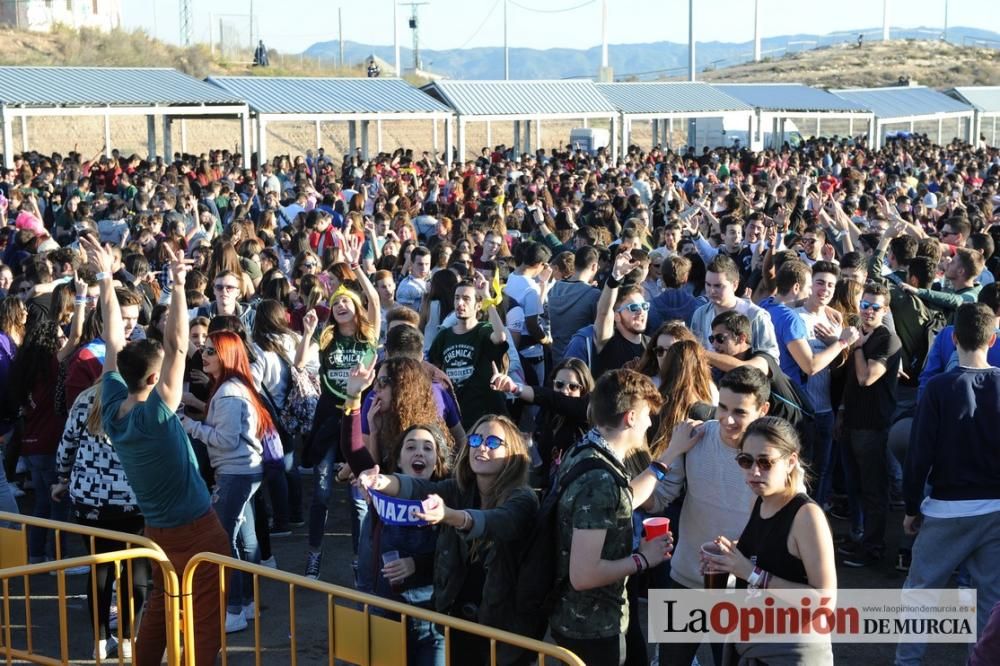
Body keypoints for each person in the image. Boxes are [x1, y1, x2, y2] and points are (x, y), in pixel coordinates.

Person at [86, 236, 230, 665]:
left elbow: (113, 340)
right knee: (204, 622)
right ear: (154, 381)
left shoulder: (113, 405)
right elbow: (179, 345)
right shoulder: (157, 414)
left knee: (161, 612)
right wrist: (179, 285)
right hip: (199, 531)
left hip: (158, 531)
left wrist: (106, 280)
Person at [358, 413, 538, 665]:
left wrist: (449, 515)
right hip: (457, 623)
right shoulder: (459, 489)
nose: (481, 447)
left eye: (494, 443)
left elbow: (497, 522)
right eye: (476, 440)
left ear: (514, 453)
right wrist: (380, 480)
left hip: (504, 634)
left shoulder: (523, 498)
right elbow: (418, 488)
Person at [636, 365, 773, 666]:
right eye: (722, 407)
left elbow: (784, 524)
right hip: (685, 577)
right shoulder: (695, 438)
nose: (727, 419)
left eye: (740, 411)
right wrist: (669, 452)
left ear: (763, 410)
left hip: (740, 589)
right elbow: (658, 500)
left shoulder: (773, 456)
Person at [896, 303, 1000, 665]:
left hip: (945, 509)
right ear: (993, 338)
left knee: (920, 595)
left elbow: (919, 455)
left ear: (953, 338)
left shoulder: (939, 388)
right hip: (994, 511)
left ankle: (908, 662)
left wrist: (911, 508)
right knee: (990, 598)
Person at [548, 369, 673, 665]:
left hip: (578, 620)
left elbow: (622, 499)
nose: (650, 423)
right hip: (593, 629)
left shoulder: (586, 450)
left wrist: (667, 459)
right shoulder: (600, 480)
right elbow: (584, 574)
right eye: (647, 415)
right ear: (630, 417)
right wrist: (644, 558)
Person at [341, 361, 448, 665]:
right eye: (411, 447)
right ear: (398, 461)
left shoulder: (448, 491)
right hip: (386, 608)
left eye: (428, 449)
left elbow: (455, 552)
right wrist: (352, 399)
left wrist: (417, 564)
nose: (419, 453)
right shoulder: (385, 484)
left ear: (437, 461)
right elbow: (353, 452)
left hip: (432, 617)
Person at [705, 416, 836, 665]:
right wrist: (729, 557)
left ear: (790, 462)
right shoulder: (760, 501)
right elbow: (769, 552)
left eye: (766, 462)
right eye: (746, 461)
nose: (754, 471)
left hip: (790, 652)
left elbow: (825, 602)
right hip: (752, 642)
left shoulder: (806, 516)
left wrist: (751, 573)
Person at [180, 330, 275, 633]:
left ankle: (234, 608)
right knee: (244, 541)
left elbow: (226, 439)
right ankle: (245, 604)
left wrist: (188, 425)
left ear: (226, 355)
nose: (203, 355)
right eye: (205, 350)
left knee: (224, 541)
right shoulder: (230, 388)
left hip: (237, 473)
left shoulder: (231, 392)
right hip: (241, 472)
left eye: (210, 351)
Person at [52, 383, 149, 660]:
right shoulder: (144, 399)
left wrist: (61, 478)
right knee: (137, 566)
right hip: (134, 498)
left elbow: (66, 446)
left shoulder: (85, 399)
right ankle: (130, 639)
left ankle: (100, 641)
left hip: (89, 499)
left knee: (100, 566)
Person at [838, 282, 902, 568]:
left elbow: (866, 378)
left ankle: (873, 548)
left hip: (872, 426)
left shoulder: (888, 340)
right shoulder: (859, 334)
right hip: (851, 421)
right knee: (856, 487)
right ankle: (859, 536)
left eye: (875, 307)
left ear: (884, 310)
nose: (868, 311)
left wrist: (858, 348)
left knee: (874, 490)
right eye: (865, 305)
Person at [489, 357, 594, 485]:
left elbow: (553, 399)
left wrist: (515, 388)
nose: (565, 391)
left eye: (573, 387)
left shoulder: (588, 411)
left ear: (584, 389)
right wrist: (530, 446)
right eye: (559, 384)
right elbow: (542, 468)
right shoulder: (549, 414)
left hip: (579, 488)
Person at [428, 274, 509, 429]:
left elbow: (500, 337)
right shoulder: (444, 335)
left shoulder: (483, 330)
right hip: (454, 414)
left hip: (483, 413)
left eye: (466, 299)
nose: (460, 303)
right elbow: (432, 368)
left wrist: (486, 297)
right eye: (457, 298)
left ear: (478, 305)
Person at [690, 255, 780, 370]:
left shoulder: (756, 316)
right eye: (708, 284)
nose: (711, 291)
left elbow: (771, 361)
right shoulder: (700, 314)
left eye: (718, 286)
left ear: (735, 285)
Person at [592, 249, 650, 378]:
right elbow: (603, 313)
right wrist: (615, 278)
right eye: (634, 307)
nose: (641, 311)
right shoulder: (608, 341)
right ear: (616, 315)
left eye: (644, 306)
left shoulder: (653, 346)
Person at [548, 245, 600, 363]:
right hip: (580, 360)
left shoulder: (555, 288)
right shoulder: (593, 295)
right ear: (594, 266)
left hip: (556, 359)